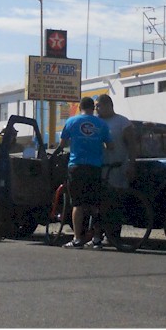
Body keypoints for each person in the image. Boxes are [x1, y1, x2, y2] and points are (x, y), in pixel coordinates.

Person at [57, 96, 111, 249]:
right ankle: (96, 239)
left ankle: (77, 239)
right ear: (93, 108)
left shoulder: (71, 122)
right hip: (95, 167)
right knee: (95, 204)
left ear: (80, 107)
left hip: (77, 166)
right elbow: (110, 145)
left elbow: (62, 144)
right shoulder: (101, 124)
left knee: (78, 204)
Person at [91, 94, 139, 250]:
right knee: (98, 203)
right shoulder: (95, 122)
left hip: (118, 168)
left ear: (108, 105)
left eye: (98, 106)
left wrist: (132, 164)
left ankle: (114, 236)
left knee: (116, 202)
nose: (96, 109)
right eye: (95, 106)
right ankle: (97, 235)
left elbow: (132, 145)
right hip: (99, 168)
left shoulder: (122, 122)